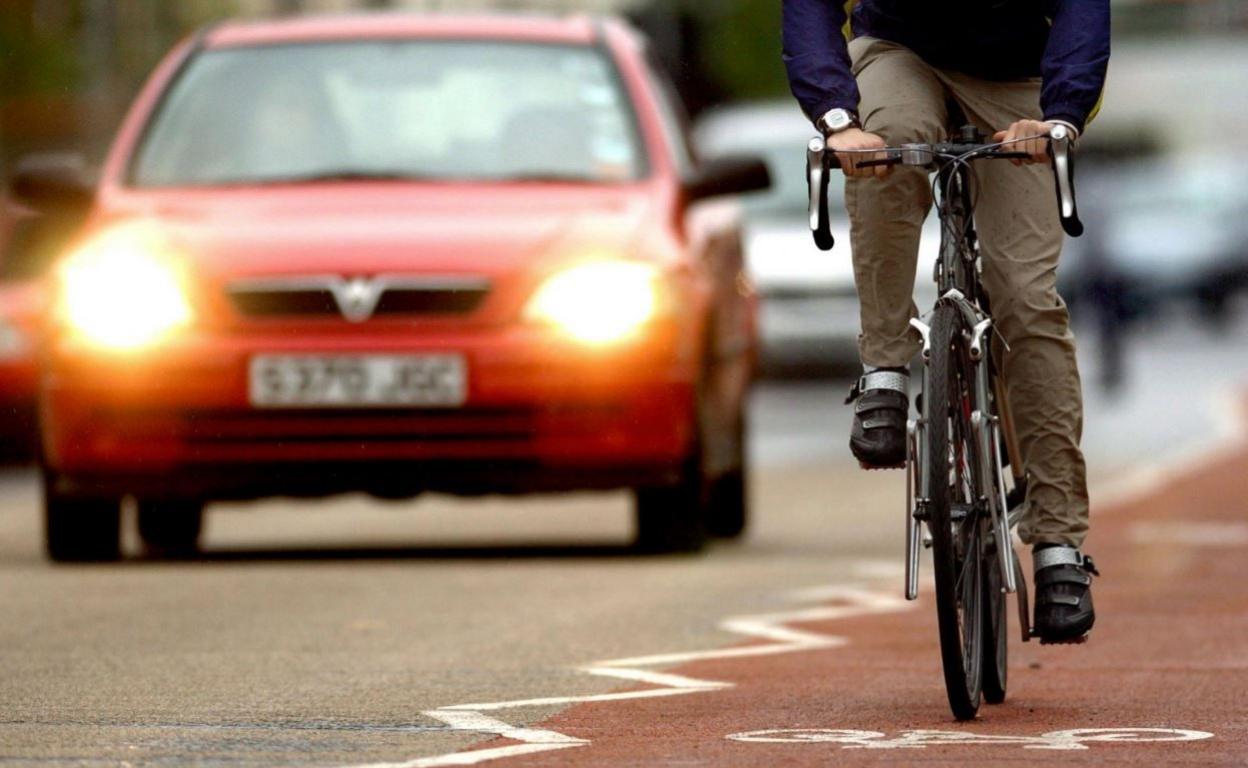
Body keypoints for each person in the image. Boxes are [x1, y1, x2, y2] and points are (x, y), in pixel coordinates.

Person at [782, 0, 1109, 644]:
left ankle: (1058, 547)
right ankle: (883, 368)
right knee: (886, 146)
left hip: (1018, 76)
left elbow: (1082, 12)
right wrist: (837, 121)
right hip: (901, 53)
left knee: (1025, 296)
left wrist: (1061, 116)